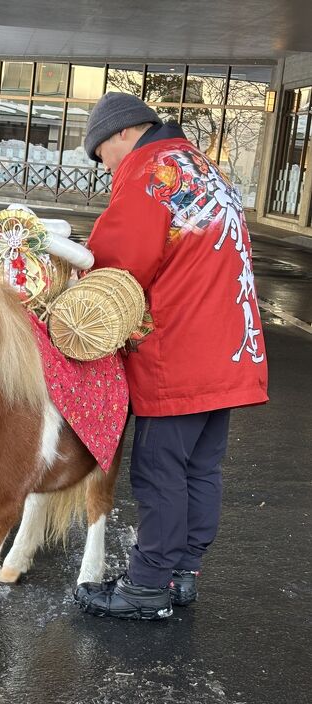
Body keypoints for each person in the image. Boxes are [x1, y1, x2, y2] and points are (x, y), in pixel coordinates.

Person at [73, 92, 268, 620]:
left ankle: (146, 587)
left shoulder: (150, 173)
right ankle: (182, 573)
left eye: (101, 154)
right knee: (199, 467)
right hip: (228, 348)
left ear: (120, 132)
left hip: (179, 351)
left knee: (160, 469)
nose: (104, 166)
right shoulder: (202, 167)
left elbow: (115, 269)